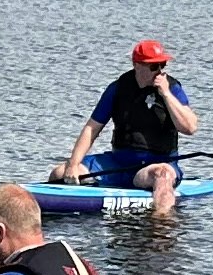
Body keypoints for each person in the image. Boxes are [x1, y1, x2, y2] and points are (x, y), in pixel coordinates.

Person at [50, 38, 198, 219]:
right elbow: (92, 128)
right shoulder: (118, 89)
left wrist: (165, 94)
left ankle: (160, 227)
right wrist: (73, 165)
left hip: (154, 166)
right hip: (118, 164)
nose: (159, 71)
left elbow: (190, 127)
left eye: (162, 65)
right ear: (137, 65)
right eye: (153, 67)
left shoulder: (172, 88)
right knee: (59, 172)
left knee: (163, 174)